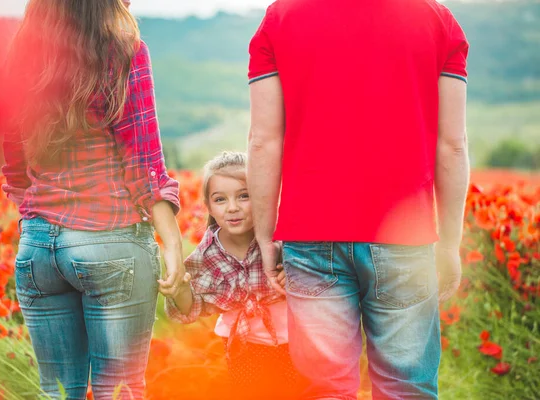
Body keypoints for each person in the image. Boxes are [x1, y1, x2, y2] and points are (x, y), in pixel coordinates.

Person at [246, 0, 470, 399]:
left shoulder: (281, 17)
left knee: (326, 389)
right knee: (407, 388)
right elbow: (452, 146)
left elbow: (263, 141)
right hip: (406, 235)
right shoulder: (436, 19)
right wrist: (451, 243)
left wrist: (265, 236)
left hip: (311, 236)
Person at [1, 1, 186, 398]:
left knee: (58, 392)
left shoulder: (23, 57)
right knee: (118, 389)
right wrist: (172, 241)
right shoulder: (123, 50)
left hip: (37, 248)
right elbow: (144, 160)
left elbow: (14, 164)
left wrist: (40, 215)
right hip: (109, 236)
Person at [164, 152, 302, 400]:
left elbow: (315, 277)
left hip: (295, 341)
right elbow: (192, 307)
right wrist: (181, 290)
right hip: (243, 347)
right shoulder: (206, 255)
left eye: (244, 196)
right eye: (220, 199)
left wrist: (291, 277)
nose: (233, 207)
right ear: (208, 205)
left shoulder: (282, 238)